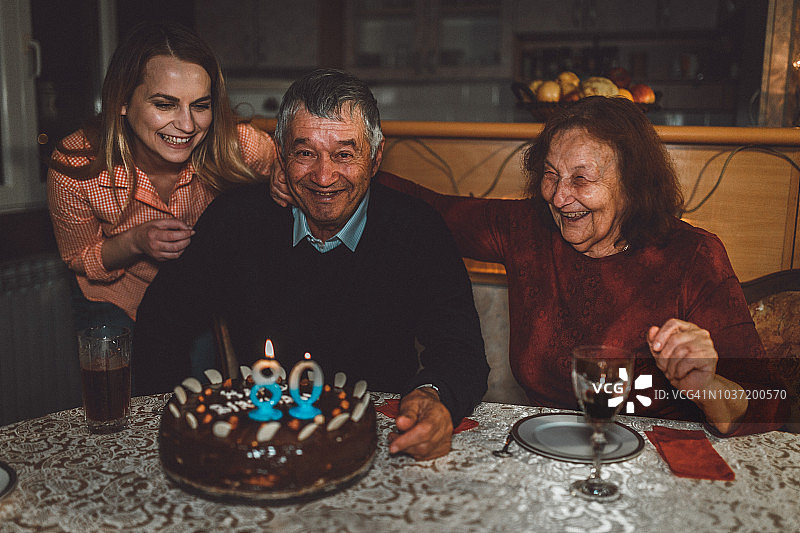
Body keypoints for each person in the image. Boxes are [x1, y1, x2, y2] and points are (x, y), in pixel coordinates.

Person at [273, 95, 789, 435]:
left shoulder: (693, 255)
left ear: (631, 185)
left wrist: (704, 383)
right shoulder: (528, 228)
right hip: (542, 457)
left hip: (657, 469)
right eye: (550, 175)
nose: (559, 198)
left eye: (581, 180)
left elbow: (760, 409)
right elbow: (436, 210)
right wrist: (328, 178)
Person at [133, 69, 489, 460]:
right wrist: (169, 419)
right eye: (305, 153)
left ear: (375, 157)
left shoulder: (417, 229)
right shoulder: (237, 221)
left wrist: (433, 395)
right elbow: (162, 320)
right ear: (281, 154)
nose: (323, 176)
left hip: (381, 438)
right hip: (266, 439)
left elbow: (460, 348)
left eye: (344, 154)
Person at [47, 22, 278, 345]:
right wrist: (135, 242)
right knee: (125, 394)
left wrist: (285, 178)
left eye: (200, 105)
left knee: (196, 392)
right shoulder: (77, 163)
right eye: (164, 104)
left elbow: (295, 165)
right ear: (122, 101)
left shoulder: (238, 146)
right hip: (113, 302)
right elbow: (79, 257)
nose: (186, 125)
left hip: (196, 298)